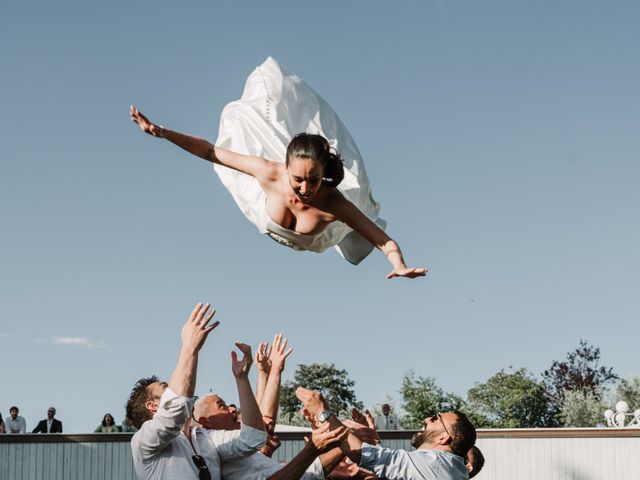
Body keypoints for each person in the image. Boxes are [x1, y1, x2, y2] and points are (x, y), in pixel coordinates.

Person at [130, 57, 426, 279]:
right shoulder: (269, 172)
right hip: (265, 209)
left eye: (314, 180)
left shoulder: (334, 203)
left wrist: (398, 264)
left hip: (315, 239)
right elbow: (210, 151)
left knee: (348, 215)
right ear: (286, 169)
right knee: (240, 142)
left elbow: (383, 241)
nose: (306, 189)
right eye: (298, 179)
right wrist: (162, 132)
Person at [127, 303, 266, 480]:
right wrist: (189, 347)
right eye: (165, 388)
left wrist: (242, 379)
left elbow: (253, 438)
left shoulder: (205, 438)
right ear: (152, 406)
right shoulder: (143, 441)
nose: (173, 389)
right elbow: (175, 408)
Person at [297, 387, 477, 480]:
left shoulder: (433, 463)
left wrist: (323, 412)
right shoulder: (449, 467)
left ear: (444, 437)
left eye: (436, 418)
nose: (428, 419)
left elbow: (360, 453)